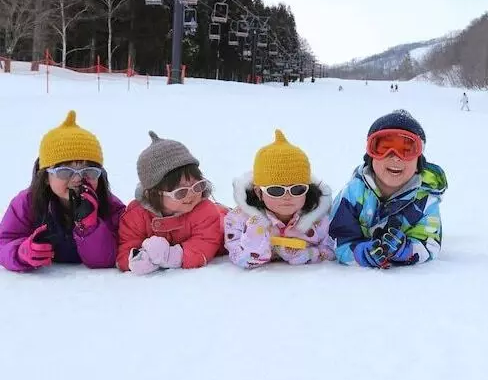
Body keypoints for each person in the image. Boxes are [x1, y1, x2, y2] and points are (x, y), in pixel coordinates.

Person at [0, 110, 125, 272]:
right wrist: (21, 252)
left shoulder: (110, 206)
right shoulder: (26, 203)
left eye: (89, 171)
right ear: (45, 176)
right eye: (65, 171)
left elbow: (109, 257)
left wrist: (89, 227)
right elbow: (4, 242)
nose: (77, 179)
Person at [329, 110, 447, 269]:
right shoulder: (353, 193)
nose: (395, 157)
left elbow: (429, 244)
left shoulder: (424, 201)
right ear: (370, 156)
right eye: (384, 149)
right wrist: (358, 253)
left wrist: (407, 250)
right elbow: (336, 237)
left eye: (406, 151)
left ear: (419, 161)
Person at [117, 131, 227, 274]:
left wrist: (172, 256)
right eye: (181, 192)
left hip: (223, 219)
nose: (191, 195)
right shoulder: (135, 216)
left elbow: (204, 245)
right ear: (153, 194)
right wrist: (137, 260)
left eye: (197, 186)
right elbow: (124, 249)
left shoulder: (205, 211)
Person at [224, 130, 334, 268]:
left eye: (297, 189)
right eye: (276, 190)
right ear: (259, 192)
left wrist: (308, 255)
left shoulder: (318, 219)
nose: (287, 196)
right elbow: (238, 257)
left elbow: (332, 248)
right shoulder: (238, 219)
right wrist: (256, 237)